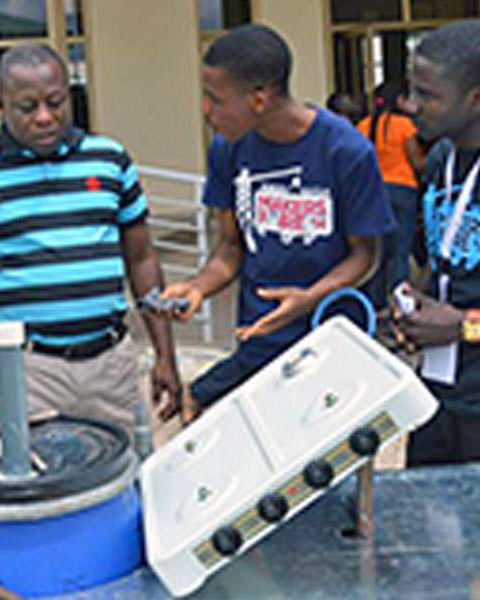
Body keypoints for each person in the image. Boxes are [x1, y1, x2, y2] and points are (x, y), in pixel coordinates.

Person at [0, 44, 181, 432]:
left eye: (56, 102)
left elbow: (142, 259)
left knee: (123, 483)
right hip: (26, 370)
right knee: (34, 489)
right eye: (27, 107)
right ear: (1, 104)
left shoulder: (110, 160)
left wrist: (165, 354)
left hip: (111, 365)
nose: (45, 117)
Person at [162, 24, 394, 423]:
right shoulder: (228, 150)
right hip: (260, 341)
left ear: (258, 98)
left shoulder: (346, 150)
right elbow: (231, 249)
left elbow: (365, 256)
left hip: (332, 343)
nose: (205, 110)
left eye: (215, 99)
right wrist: (198, 288)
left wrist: (309, 298)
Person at [392, 20, 480, 466]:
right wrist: (416, 305)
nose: (411, 105)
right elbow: (441, 257)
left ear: (476, 98)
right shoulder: (440, 159)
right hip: (436, 396)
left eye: (427, 94)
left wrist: (465, 325)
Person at [356, 81, 425, 306]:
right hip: (403, 191)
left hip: (373, 192)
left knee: (377, 253)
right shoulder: (405, 126)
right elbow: (417, 161)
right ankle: (400, 304)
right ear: (398, 101)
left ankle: (376, 306)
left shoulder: (363, 126)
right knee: (400, 250)